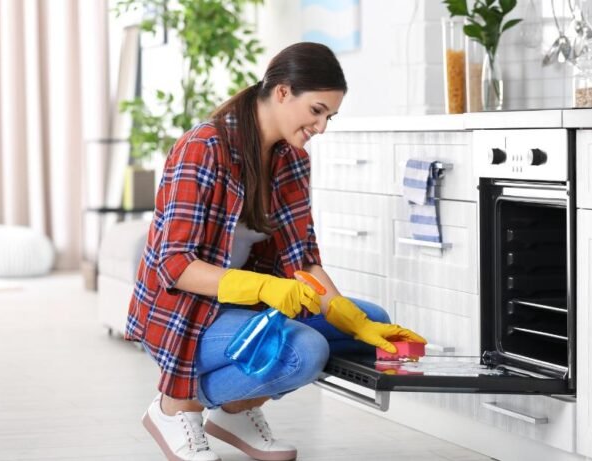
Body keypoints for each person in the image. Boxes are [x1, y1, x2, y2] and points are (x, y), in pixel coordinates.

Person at [125, 42, 427, 461]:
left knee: (374, 322)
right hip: (183, 312)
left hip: (241, 309)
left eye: (329, 117)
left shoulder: (291, 159)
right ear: (282, 92)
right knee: (304, 350)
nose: (321, 127)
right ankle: (175, 408)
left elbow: (302, 256)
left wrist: (347, 316)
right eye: (317, 111)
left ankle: (235, 411)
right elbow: (174, 266)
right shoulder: (204, 148)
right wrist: (263, 287)